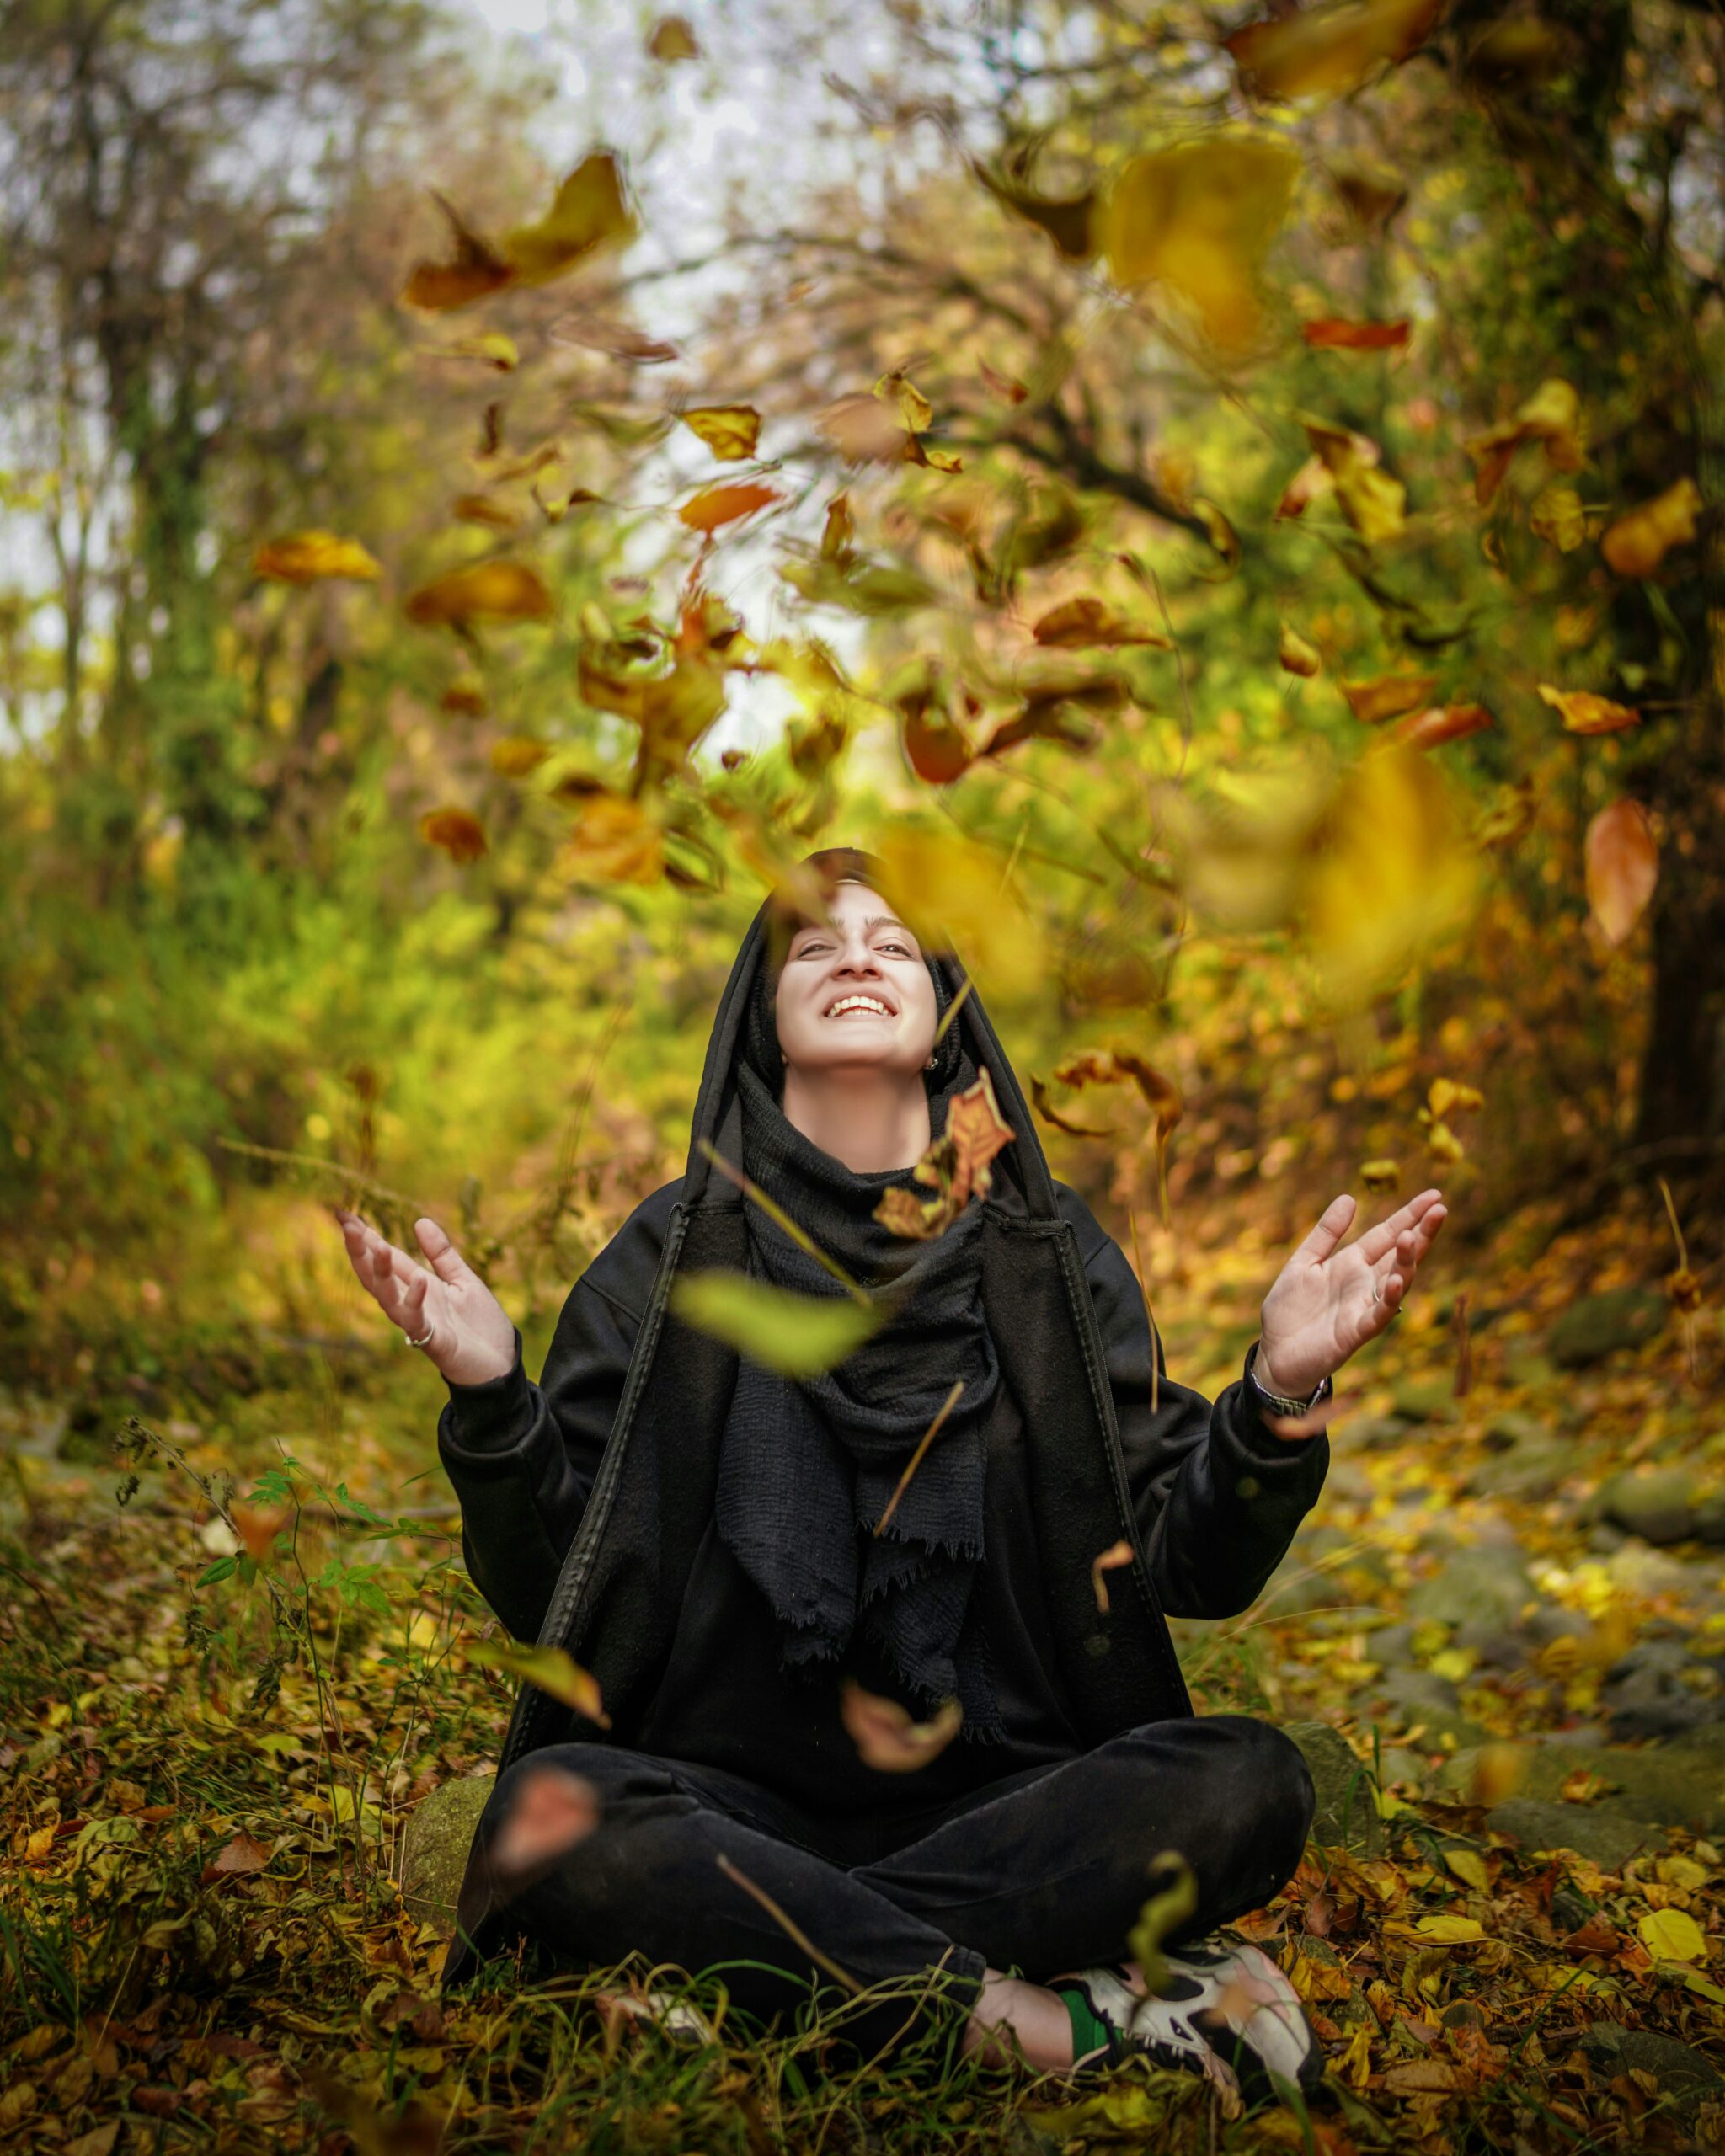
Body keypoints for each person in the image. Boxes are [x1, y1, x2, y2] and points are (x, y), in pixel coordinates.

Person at [336, 846, 1446, 2103]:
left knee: (1252, 1780)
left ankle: (746, 1974)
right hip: (727, 1806)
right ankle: (1032, 2024)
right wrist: (491, 1399)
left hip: (1005, 1810)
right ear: (762, 1021)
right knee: (554, 1806)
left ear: (945, 1019)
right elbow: (566, 1600)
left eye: (895, 944)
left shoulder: (1048, 1255)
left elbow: (1184, 1563)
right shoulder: (669, 1256)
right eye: (814, 946)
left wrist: (1280, 1393)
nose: (857, 955)